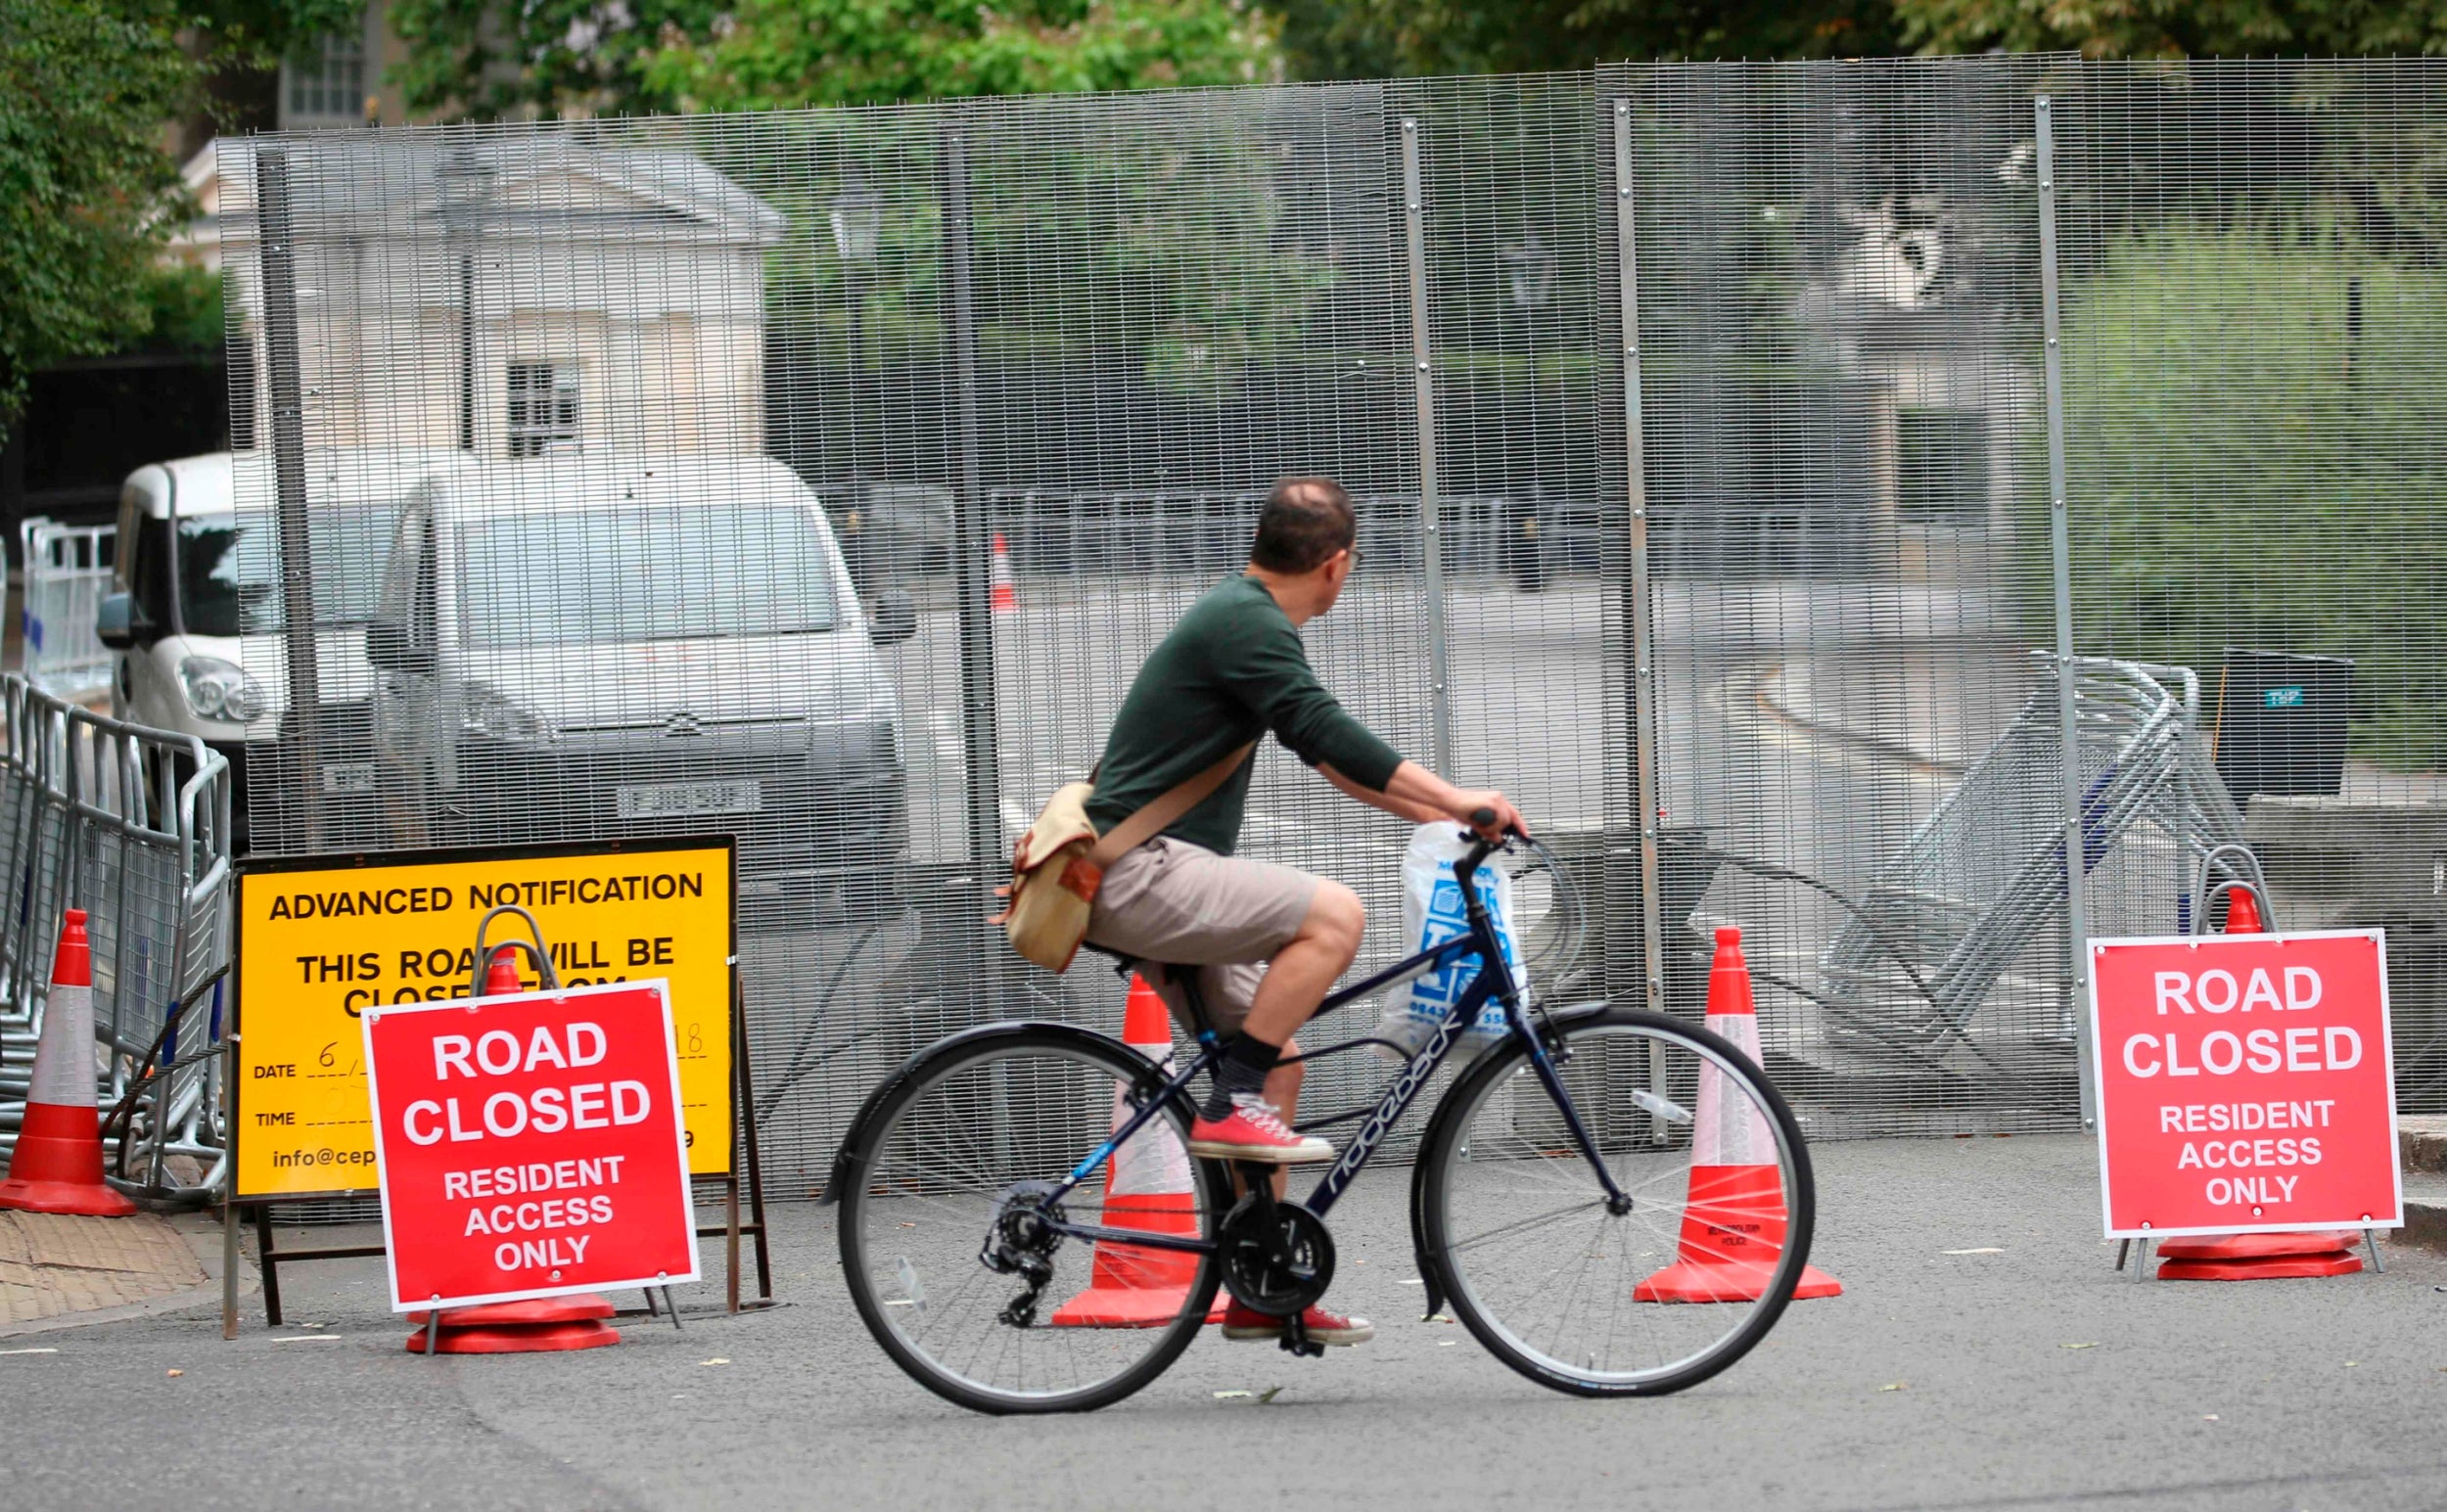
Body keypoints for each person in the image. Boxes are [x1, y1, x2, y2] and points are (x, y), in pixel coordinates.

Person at [1083, 477, 1525, 1348]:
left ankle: (1262, 1286)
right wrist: (1463, 797)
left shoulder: (1241, 616)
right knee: (1335, 917)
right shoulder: (1248, 624)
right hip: (1139, 871)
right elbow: (1325, 729)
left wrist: (1449, 814)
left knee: (1279, 1062)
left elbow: (1334, 764)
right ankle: (1230, 1097)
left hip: (1147, 872)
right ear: (1336, 565)